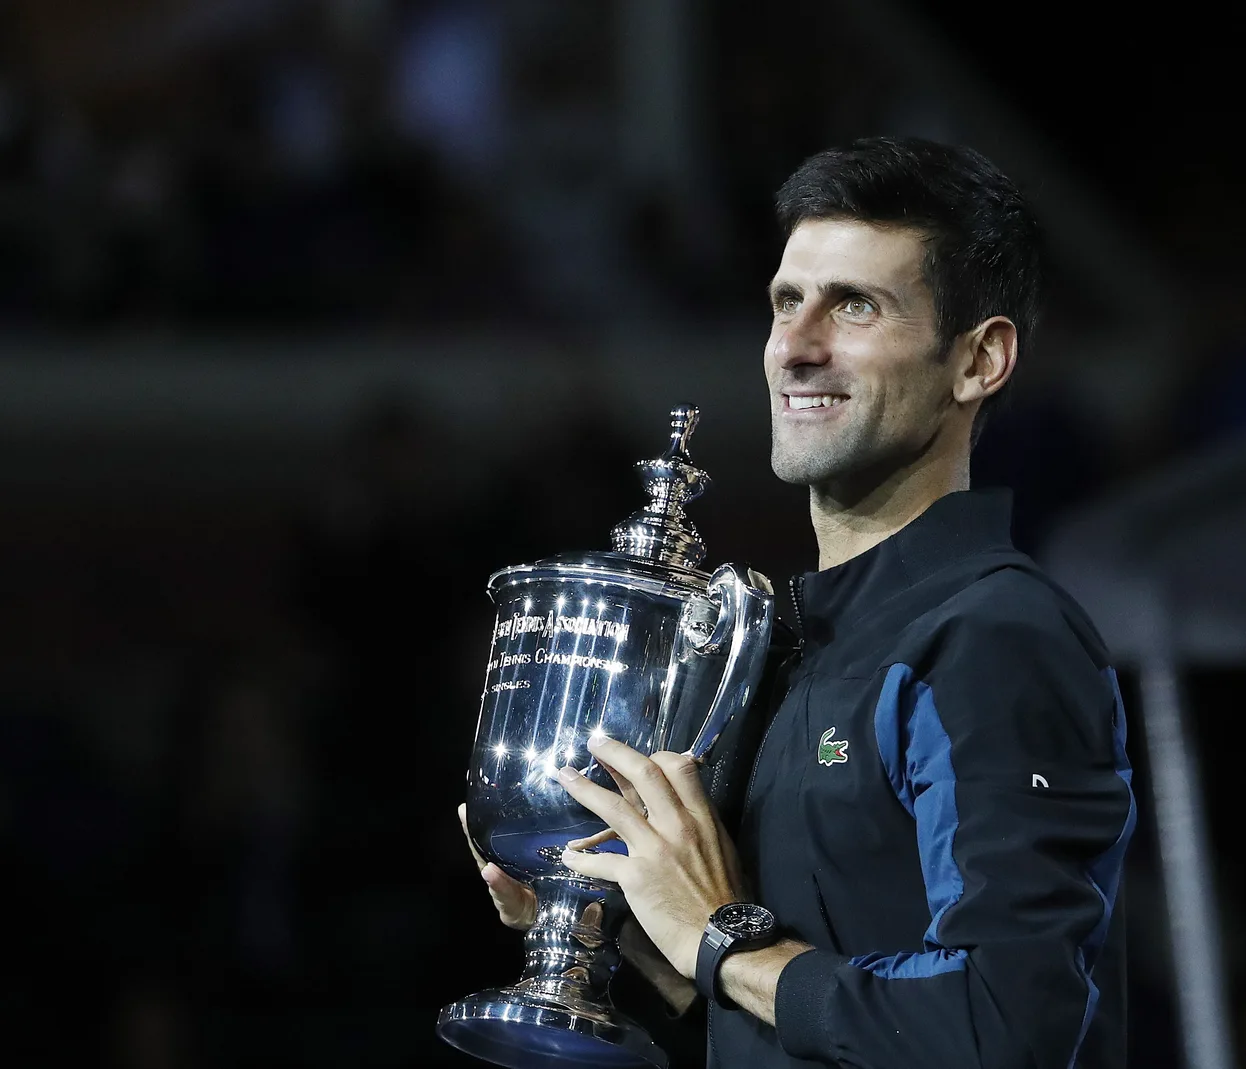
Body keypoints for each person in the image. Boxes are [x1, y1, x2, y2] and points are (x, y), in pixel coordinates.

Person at [460, 136, 1136, 1067]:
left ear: (978, 361)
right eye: (787, 301)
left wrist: (721, 934)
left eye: (855, 305)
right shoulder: (784, 645)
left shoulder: (993, 635)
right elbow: (790, 1021)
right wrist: (614, 923)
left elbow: (1007, 1024)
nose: (797, 346)